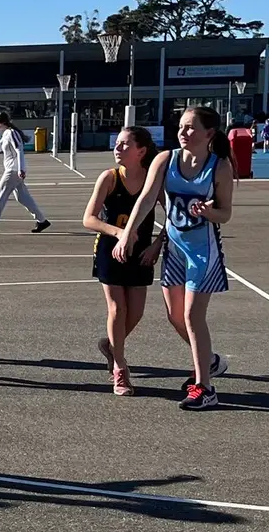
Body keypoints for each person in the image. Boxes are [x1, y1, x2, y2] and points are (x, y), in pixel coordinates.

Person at [118, 106, 233, 410]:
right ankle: (209, 362)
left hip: (203, 252)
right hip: (175, 250)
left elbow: (226, 213)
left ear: (209, 133)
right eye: (181, 126)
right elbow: (146, 199)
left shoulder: (219, 167)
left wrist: (209, 213)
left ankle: (205, 388)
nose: (183, 132)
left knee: (193, 316)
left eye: (191, 127)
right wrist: (128, 233)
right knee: (175, 316)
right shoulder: (165, 159)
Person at [81, 126, 163, 397]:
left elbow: (175, 217)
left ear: (141, 151)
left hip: (141, 253)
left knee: (135, 313)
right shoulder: (110, 178)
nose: (118, 148)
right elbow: (89, 218)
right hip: (110, 249)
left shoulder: (153, 180)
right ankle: (120, 368)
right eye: (117, 143)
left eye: (125, 144)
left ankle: (110, 345)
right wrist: (119, 233)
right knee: (117, 309)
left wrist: (157, 244)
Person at [0, 112, 50, 235]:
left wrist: (21, 169)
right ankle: (42, 220)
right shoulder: (6, 134)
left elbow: (19, 150)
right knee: (23, 197)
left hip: (13, 171)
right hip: (13, 170)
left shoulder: (11, 133)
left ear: (0, 123)